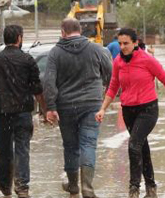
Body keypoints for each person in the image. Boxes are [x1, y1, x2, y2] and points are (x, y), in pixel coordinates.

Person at [95, 28, 165, 198]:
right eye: (120, 43)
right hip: (129, 111)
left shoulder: (147, 60)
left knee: (133, 145)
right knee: (141, 148)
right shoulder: (118, 62)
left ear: (135, 43)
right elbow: (113, 87)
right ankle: (151, 189)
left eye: (126, 43)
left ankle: (133, 190)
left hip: (148, 109)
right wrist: (103, 108)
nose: (122, 47)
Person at [44, 18, 112, 198]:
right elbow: (110, 73)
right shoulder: (97, 49)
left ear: (62, 32)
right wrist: (104, 93)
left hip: (65, 106)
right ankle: (88, 188)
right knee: (89, 144)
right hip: (92, 105)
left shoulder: (55, 53)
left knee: (70, 146)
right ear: (80, 30)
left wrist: (50, 107)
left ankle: (73, 186)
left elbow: (49, 82)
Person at [0, 25, 47, 198]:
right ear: (19, 38)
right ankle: (22, 187)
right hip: (23, 113)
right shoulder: (28, 60)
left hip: (2, 114)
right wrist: (45, 110)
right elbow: (37, 89)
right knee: (22, 149)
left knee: (5, 150)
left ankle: (5, 184)